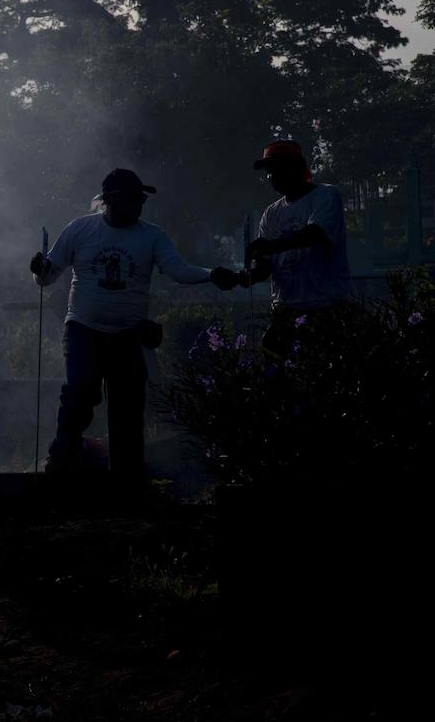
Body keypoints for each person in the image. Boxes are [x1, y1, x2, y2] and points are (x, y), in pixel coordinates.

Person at [30, 169, 238, 484]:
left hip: (128, 333)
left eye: (141, 199)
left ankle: (127, 476)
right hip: (84, 327)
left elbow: (177, 269)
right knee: (80, 392)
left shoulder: (151, 236)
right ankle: (62, 456)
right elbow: (47, 276)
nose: (139, 205)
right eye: (133, 199)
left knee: (127, 406)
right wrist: (38, 269)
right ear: (110, 201)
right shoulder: (80, 230)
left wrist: (211, 274)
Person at [241, 139, 353, 356]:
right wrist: (245, 276)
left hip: (326, 305)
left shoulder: (326, 195)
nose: (270, 177)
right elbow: (264, 266)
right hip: (286, 308)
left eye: (275, 169)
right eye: (268, 171)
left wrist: (271, 246)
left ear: (295, 168)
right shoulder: (271, 213)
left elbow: (316, 233)